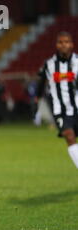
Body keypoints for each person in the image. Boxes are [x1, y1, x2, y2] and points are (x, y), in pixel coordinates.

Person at [36, 31, 78, 168]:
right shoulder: (49, 64)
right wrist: (38, 96)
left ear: (72, 44)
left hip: (77, 106)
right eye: (60, 42)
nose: (64, 45)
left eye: (66, 42)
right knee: (69, 135)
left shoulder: (77, 62)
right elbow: (41, 82)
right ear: (56, 45)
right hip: (60, 109)